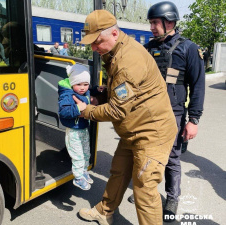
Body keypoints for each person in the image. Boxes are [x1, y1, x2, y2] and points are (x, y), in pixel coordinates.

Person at [73, 9, 178, 225]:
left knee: (145, 188)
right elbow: (125, 95)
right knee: (118, 172)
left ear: (113, 34)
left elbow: (116, 110)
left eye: (97, 41)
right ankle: (104, 211)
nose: (93, 48)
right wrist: (103, 93)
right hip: (134, 128)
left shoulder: (128, 61)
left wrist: (86, 111)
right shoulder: (114, 51)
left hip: (151, 133)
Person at [127, 2, 205, 222]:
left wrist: (194, 120)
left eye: (155, 22)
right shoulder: (148, 48)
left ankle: (172, 199)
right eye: (150, 22)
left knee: (171, 158)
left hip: (174, 114)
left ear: (170, 21)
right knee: (142, 153)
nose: (151, 27)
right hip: (145, 113)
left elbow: (198, 86)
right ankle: (147, 192)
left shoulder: (188, 48)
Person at [58, 64, 94, 190]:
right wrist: (79, 108)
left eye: (86, 84)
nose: (83, 88)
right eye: (79, 84)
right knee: (77, 155)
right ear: (72, 83)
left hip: (83, 128)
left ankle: (83, 171)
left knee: (86, 153)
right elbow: (64, 111)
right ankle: (78, 178)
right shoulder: (67, 95)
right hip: (73, 130)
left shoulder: (85, 91)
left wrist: (97, 90)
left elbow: (89, 93)